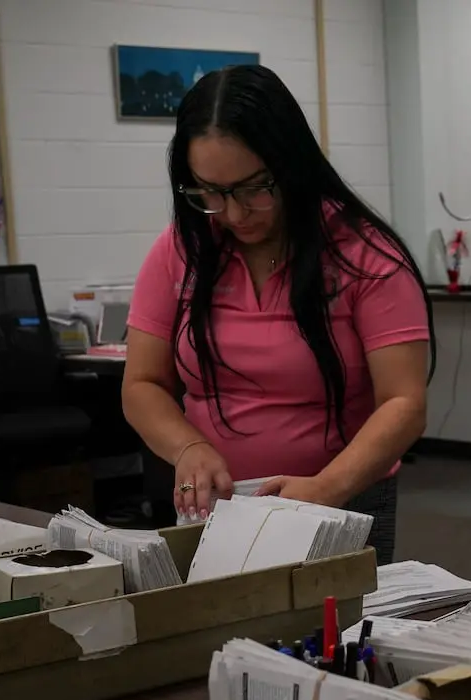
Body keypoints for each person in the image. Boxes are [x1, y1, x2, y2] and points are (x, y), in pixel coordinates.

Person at [122, 65, 432, 564]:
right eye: (210, 192)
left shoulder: (362, 253)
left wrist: (326, 488)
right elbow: (142, 385)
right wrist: (187, 448)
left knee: (334, 638)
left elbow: (403, 402)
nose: (234, 214)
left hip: (342, 499)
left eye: (253, 189)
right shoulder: (181, 249)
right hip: (214, 505)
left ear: (291, 166)